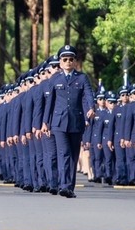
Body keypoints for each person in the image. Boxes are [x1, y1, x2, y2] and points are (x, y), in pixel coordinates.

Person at [40, 45, 95, 198]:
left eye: (71, 59)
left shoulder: (82, 78)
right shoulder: (55, 79)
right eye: (65, 59)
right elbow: (50, 102)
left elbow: (88, 94)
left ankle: (69, 187)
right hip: (58, 123)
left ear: (75, 61)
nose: (68, 62)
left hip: (76, 122)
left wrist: (91, 107)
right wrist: (45, 122)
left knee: (73, 155)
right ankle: (63, 185)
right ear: (60, 61)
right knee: (63, 153)